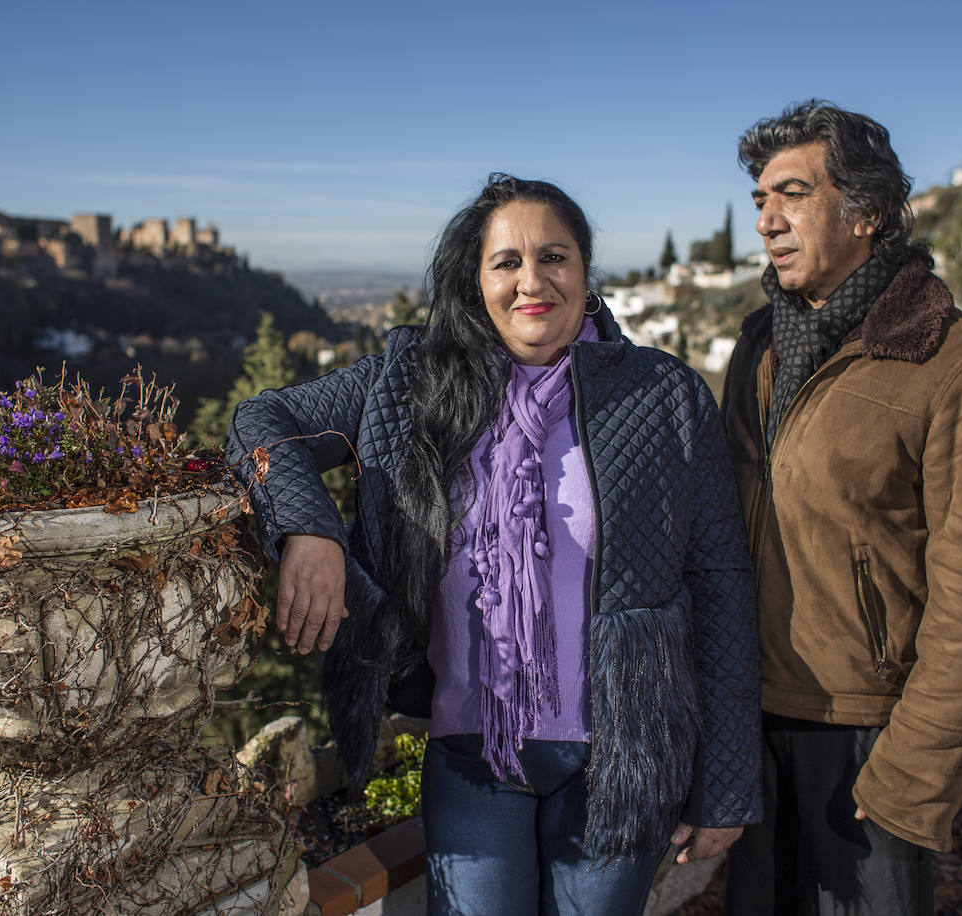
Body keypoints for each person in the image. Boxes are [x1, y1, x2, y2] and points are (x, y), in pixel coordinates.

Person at [227, 173, 761, 914]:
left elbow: (720, 581)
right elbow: (262, 421)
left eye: (554, 257)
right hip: (471, 752)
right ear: (476, 280)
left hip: (622, 754)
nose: (531, 281)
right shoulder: (413, 382)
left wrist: (726, 784)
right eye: (505, 262)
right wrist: (310, 530)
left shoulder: (662, 394)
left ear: (585, 271)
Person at [719, 101, 962, 915]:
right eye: (758, 200)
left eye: (792, 193)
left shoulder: (953, 362)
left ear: (869, 214)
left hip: (866, 735)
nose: (767, 221)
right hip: (752, 720)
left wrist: (914, 769)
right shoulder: (758, 342)